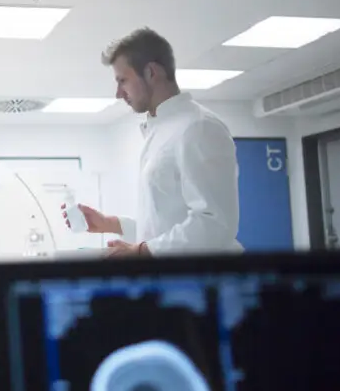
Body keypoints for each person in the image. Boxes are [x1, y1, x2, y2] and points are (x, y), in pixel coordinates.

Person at [64, 28, 243, 257]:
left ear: (150, 73)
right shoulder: (161, 129)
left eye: (123, 81)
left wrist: (141, 252)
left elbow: (215, 224)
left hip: (201, 282)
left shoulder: (198, 127)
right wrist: (111, 224)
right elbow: (164, 224)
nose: (118, 93)